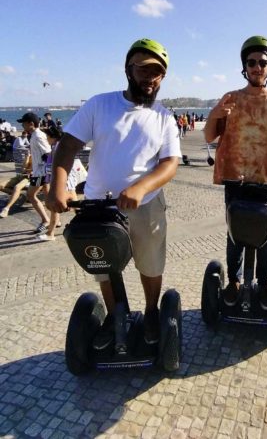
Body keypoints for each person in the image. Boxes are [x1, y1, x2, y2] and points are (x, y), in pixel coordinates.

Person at [46, 38, 182, 349]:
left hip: (145, 204)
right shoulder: (99, 104)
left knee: (150, 264)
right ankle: (114, 313)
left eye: (157, 72)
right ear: (128, 70)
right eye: (143, 69)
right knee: (103, 266)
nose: (150, 77)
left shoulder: (163, 116)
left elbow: (170, 163)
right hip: (98, 204)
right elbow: (68, 145)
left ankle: (150, 311)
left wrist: (141, 187)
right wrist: (58, 186)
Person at [204, 35, 267, 311]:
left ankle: (265, 282)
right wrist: (214, 113)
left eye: (263, 62)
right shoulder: (231, 99)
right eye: (252, 62)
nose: (258, 67)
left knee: (265, 235)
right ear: (244, 67)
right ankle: (233, 280)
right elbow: (210, 136)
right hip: (236, 178)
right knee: (235, 233)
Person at [36, 125, 78, 241]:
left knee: (56, 206)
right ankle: (87, 226)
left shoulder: (57, 147)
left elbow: (57, 166)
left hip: (64, 180)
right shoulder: (57, 146)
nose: (46, 139)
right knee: (75, 206)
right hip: (67, 179)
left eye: (46, 137)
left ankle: (51, 233)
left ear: (52, 137)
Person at [18, 112, 52, 233]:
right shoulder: (35, 135)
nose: (23, 126)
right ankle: (54, 220)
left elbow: (48, 154)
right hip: (41, 171)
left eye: (24, 124)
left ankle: (45, 220)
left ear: (31, 124)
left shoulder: (37, 136)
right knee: (48, 196)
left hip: (41, 173)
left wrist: (46, 172)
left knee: (31, 195)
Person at [0, 149, 31, 218]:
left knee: (17, 187)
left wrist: (30, 172)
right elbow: (23, 168)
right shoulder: (29, 155)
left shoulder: (42, 155)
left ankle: (6, 209)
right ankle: (18, 195)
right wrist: (27, 156)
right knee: (1, 185)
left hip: (29, 178)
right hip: (21, 176)